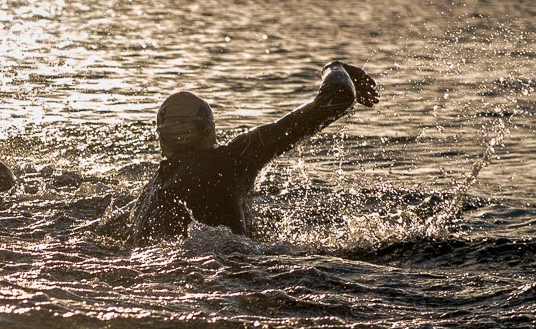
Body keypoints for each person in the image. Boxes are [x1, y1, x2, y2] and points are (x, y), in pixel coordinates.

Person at [128, 61, 378, 245]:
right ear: (208, 129)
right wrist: (334, 67)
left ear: (161, 138)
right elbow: (338, 97)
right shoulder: (234, 158)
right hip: (237, 272)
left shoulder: (150, 193)